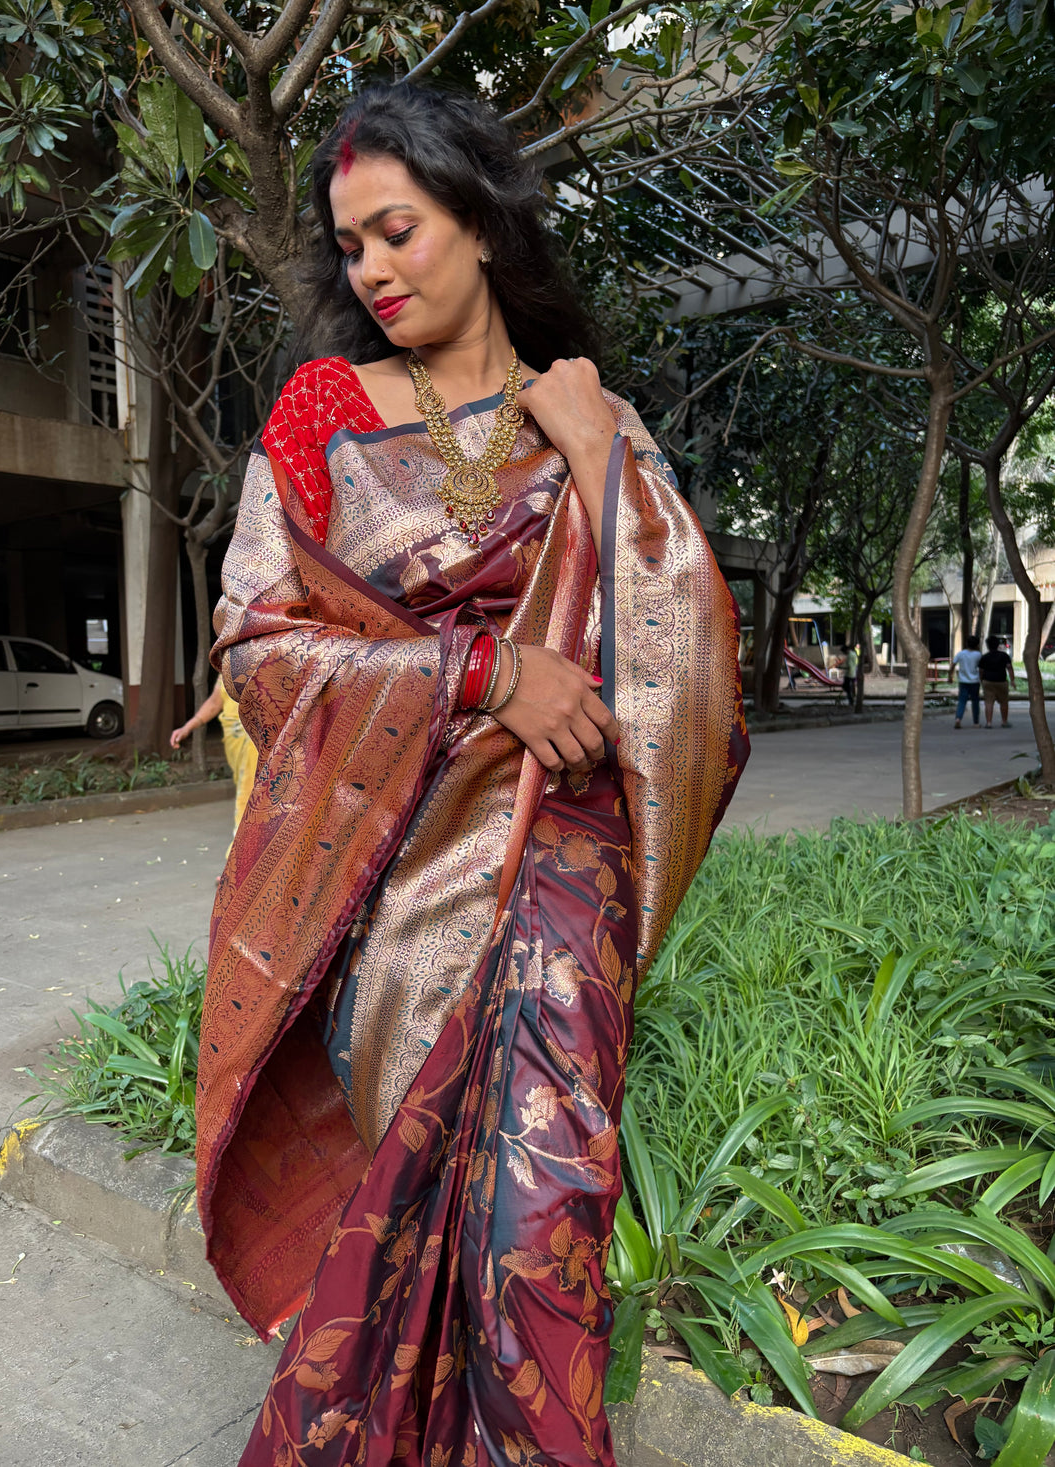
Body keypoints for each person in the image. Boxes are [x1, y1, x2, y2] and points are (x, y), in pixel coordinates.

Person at [197, 84, 748, 1467]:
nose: (373, 269)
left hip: (564, 866)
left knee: (533, 1215)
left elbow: (690, 653)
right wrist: (482, 672)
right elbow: (261, 643)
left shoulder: (586, 412)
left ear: (485, 222)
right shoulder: (327, 411)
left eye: (399, 231)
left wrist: (602, 451)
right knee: (405, 1218)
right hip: (393, 878)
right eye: (353, 246)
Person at [170, 683, 259, 836]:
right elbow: (214, 702)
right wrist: (187, 727)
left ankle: (244, 845)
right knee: (246, 786)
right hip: (235, 738)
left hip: (258, 739)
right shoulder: (227, 666)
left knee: (250, 789)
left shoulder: (274, 663)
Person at [979, 634, 1016, 727]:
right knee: (1004, 702)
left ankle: (989, 722)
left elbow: (981, 671)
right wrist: (1012, 680)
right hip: (1001, 681)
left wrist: (981, 680)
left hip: (988, 681)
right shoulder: (1004, 656)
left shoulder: (984, 657)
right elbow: (1009, 668)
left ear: (987, 646)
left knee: (988, 702)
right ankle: (1004, 721)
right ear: (998, 645)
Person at [950, 634, 982, 728]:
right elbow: (981, 668)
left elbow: (953, 664)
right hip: (975, 681)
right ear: (977, 645)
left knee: (962, 701)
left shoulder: (961, 653)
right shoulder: (978, 655)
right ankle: (976, 722)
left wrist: (950, 676)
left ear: (967, 644)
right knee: (975, 702)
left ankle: (958, 719)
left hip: (963, 681)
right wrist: (981, 678)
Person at [843, 643, 859, 707]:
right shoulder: (854, 654)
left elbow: (849, 666)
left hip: (849, 674)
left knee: (846, 687)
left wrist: (843, 668)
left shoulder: (849, 655)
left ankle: (850, 699)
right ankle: (852, 697)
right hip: (854, 673)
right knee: (852, 686)